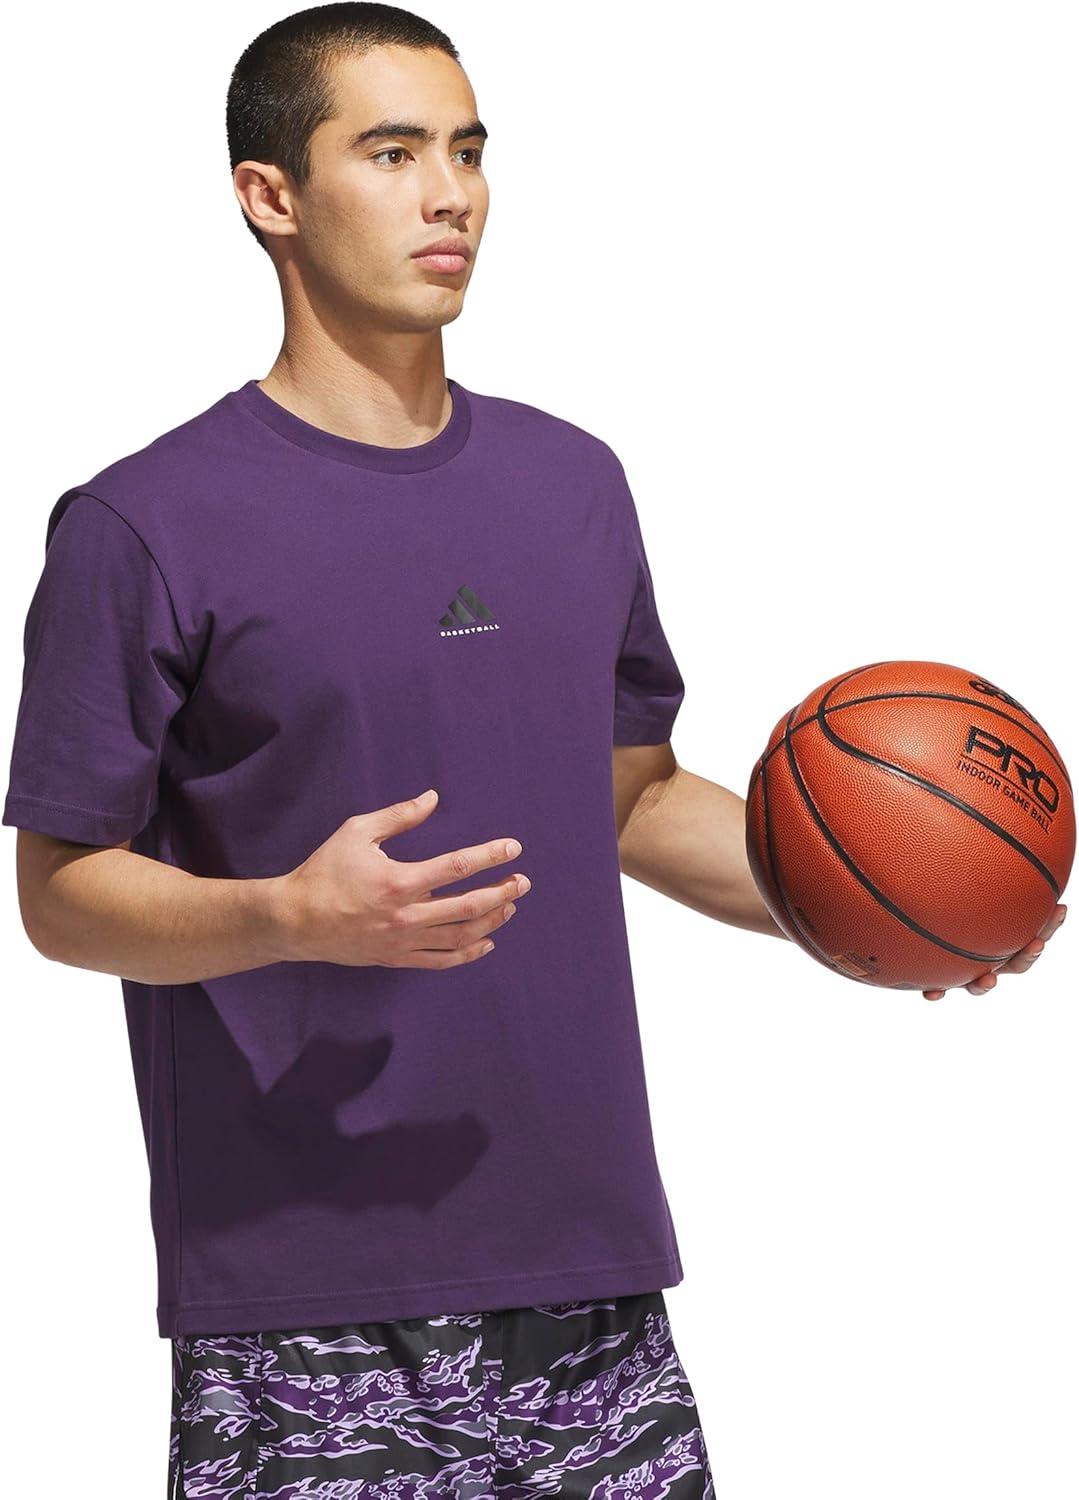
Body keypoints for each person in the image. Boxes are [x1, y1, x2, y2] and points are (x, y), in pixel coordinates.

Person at [3, 3, 1062, 1496]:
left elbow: (629, 797)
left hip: (591, 1276)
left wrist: (884, 904)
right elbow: (60, 894)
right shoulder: (143, 523)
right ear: (270, 195)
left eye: (468, 151)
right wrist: (287, 915)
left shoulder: (573, 483)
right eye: (392, 153)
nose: (451, 195)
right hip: (303, 1305)